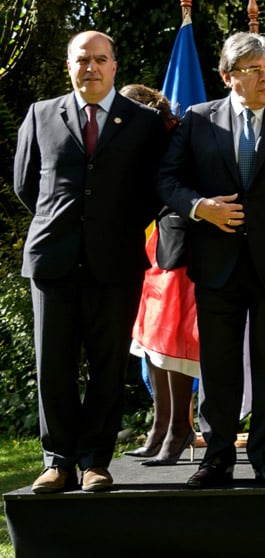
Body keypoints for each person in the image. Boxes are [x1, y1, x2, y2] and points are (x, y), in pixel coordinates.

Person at [157, 31, 265, 488]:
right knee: (220, 366)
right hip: (217, 265)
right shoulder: (197, 119)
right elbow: (166, 180)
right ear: (229, 76)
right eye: (255, 70)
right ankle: (217, 458)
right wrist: (199, 207)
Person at [14, 31, 168, 493]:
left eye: (101, 59)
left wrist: (112, 229)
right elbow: (26, 184)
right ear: (69, 66)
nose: (91, 68)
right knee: (53, 365)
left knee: (108, 365)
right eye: (82, 60)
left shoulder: (142, 122)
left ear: (114, 66)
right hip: (52, 260)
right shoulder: (41, 114)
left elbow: (152, 191)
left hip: (115, 261)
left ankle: (95, 462)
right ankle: (57, 461)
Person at [119, 83, 200, 467]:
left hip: (183, 246)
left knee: (173, 340)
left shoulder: (179, 132)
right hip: (154, 244)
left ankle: (179, 430)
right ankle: (160, 425)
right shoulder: (146, 135)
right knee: (150, 340)